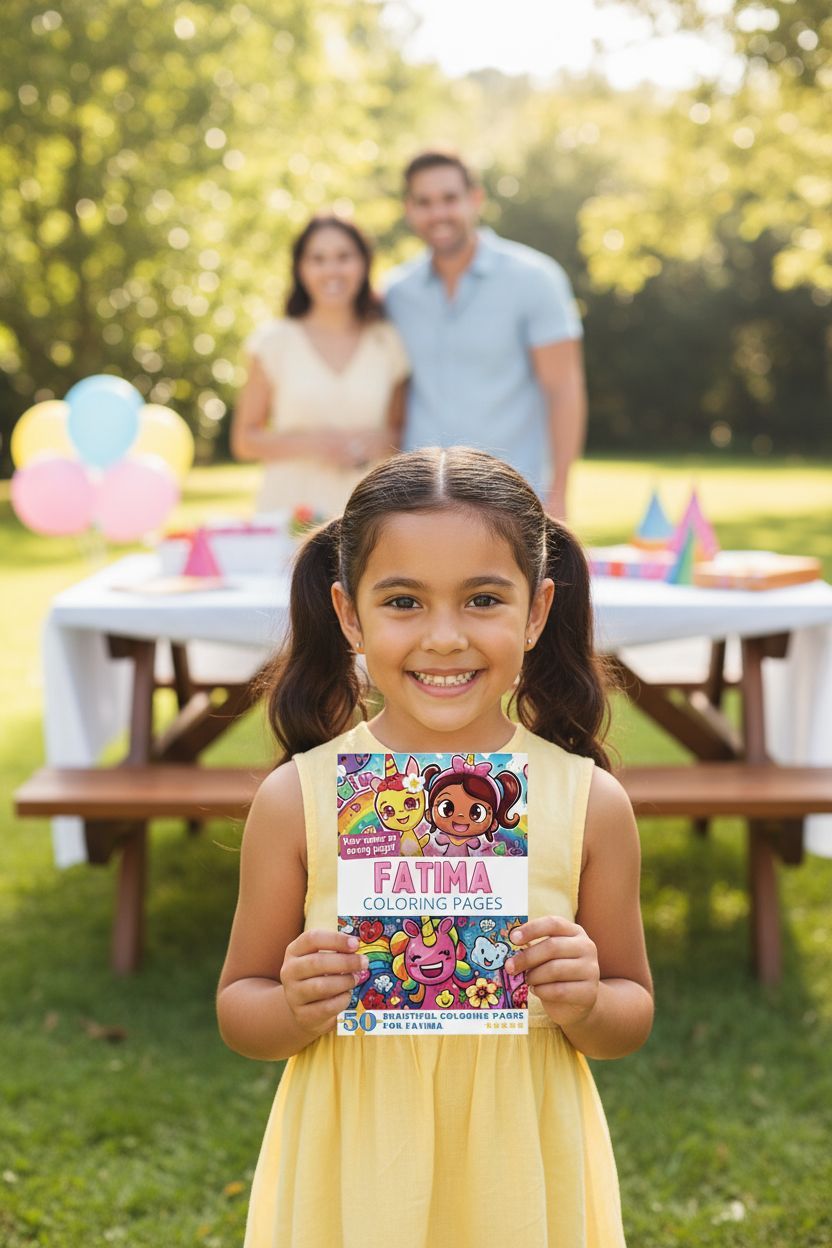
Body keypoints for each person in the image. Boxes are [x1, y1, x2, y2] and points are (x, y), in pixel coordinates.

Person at [217, 446, 653, 1247]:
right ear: (350, 614)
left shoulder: (589, 803)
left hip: (519, 1164)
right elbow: (240, 1007)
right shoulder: (299, 799)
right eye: (404, 602)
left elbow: (630, 1012)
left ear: (536, 609)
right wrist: (291, 1004)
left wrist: (587, 998)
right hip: (356, 1165)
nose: (444, 638)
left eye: (483, 598)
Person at [385, 152, 587, 520]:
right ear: (409, 210)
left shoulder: (535, 279)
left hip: (511, 498)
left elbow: (563, 390)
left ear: (475, 199)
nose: (438, 213)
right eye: (424, 202)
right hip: (418, 501)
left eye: (449, 199)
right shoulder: (396, 292)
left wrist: (559, 493)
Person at [231, 216, 409, 516]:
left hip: (369, 513)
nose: (331, 270)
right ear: (301, 269)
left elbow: (400, 431)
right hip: (291, 510)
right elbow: (244, 441)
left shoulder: (387, 341)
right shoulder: (274, 342)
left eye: (343, 257)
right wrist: (313, 444)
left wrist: (382, 442)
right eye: (318, 259)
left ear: (364, 263)